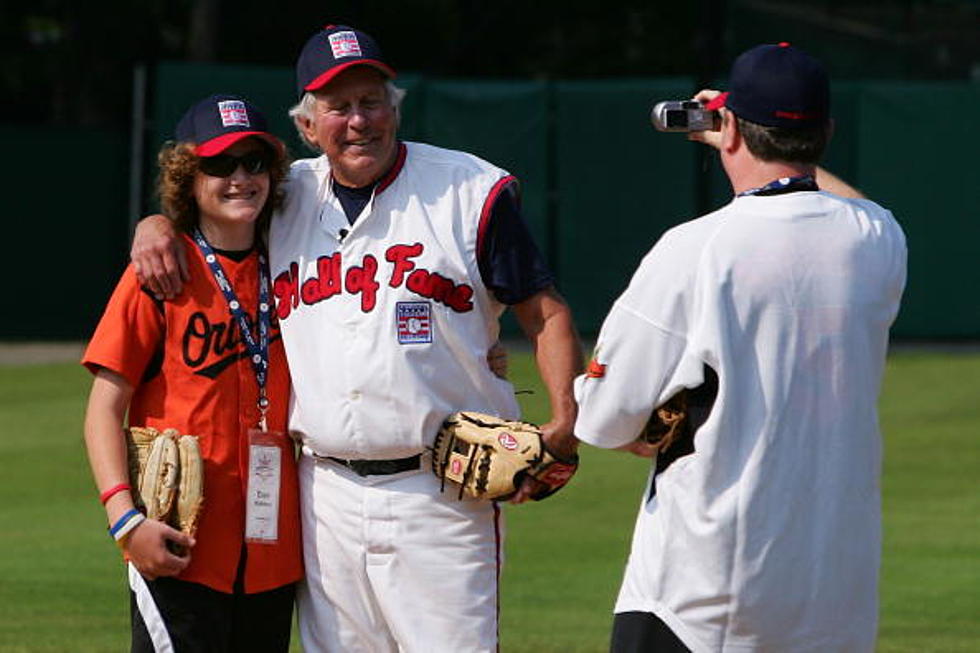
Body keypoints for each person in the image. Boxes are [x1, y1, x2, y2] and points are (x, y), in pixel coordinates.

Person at [131, 25, 582, 653]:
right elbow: (208, 205)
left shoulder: (467, 191)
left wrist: (565, 416)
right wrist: (155, 223)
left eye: (371, 101)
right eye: (337, 106)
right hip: (323, 498)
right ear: (309, 126)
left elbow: (545, 311)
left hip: (441, 491)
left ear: (393, 109)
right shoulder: (285, 199)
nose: (357, 121)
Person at [573, 43, 907, 652]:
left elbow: (604, 417)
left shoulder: (695, 248)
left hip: (702, 590)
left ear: (726, 127)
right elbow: (846, 202)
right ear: (826, 131)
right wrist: (778, 151)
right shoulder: (877, 239)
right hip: (835, 589)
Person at [83, 94, 303, 652]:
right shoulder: (160, 273)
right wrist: (125, 522)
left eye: (255, 162)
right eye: (220, 164)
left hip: (275, 552)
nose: (240, 177)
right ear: (189, 176)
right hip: (180, 546)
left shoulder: (299, 267)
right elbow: (103, 409)